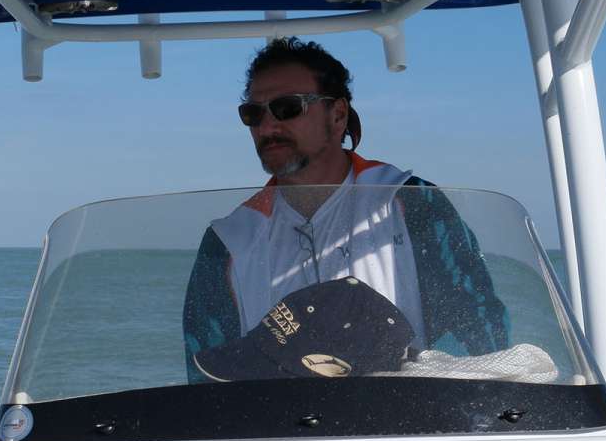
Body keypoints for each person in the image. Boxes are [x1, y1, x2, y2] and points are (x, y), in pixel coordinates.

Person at [183, 37, 509, 378]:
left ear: (337, 115)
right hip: (279, 428)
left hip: (410, 424)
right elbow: (206, 378)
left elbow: (478, 342)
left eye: (287, 108)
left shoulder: (409, 203)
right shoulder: (229, 242)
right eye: (253, 114)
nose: (267, 127)